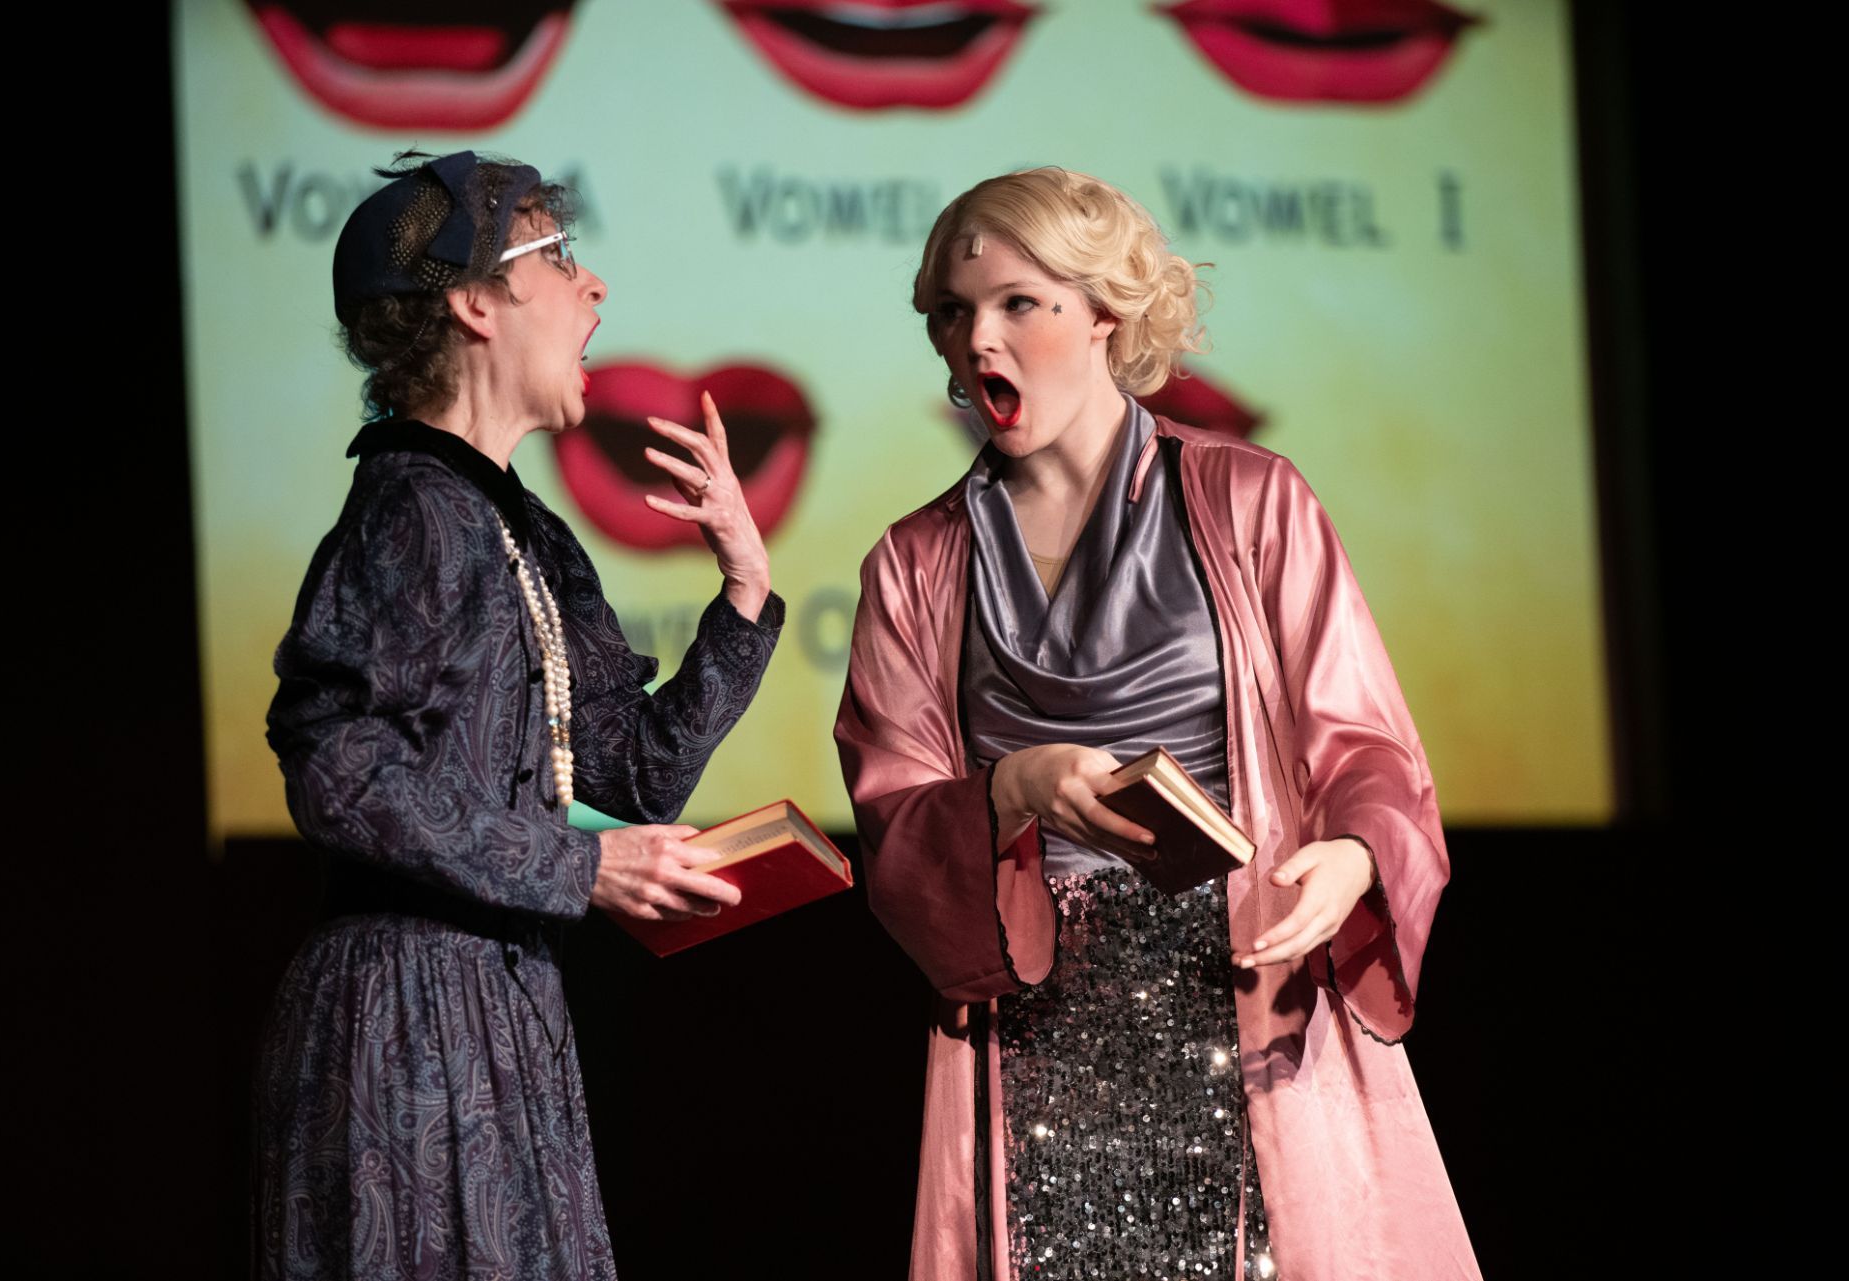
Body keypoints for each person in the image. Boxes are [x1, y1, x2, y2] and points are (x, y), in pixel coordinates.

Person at [835, 168, 1480, 1281]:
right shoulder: (915, 561)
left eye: (1017, 303)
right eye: (951, 310)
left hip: (1242, 986)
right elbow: (894, 818)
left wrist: (1356, 854)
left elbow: (1367, 743)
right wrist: (1010, 790)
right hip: (1039, 1024)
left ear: (1103, 312)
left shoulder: (1250, 497)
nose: (975, 337)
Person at [257, 150, 785, 1280]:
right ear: (474, 302)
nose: (595, 287)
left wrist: (744, 591)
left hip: (501, 1003)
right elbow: (335, 772)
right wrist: (578, 867)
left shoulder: (525, 528)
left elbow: (633, 779)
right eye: (561, 257)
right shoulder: (412, 510)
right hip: (405, 1014)